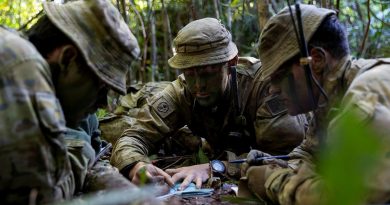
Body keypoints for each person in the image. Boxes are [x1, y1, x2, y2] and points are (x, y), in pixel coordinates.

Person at [110, 17, 308, 191]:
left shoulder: (266, 87)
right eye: (190, 73)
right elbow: (133, 136)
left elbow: (287, 157)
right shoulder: (181, 91)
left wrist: (215, 167)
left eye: (208, 73)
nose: (198, 85)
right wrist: (137, 166)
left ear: (232, 62)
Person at [242, 4, 390, 204]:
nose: (273, 90)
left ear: (316, 60)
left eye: (279, 77)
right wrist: (276, 164)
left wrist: (273, 181)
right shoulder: (329, 99)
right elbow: (309, 153)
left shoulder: (365, 96)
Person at [0, 0, 140, 204]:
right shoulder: (22, 62)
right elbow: (37, 197)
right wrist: (80, 155)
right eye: (101, 89)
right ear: (67, 59)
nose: (102, 104)